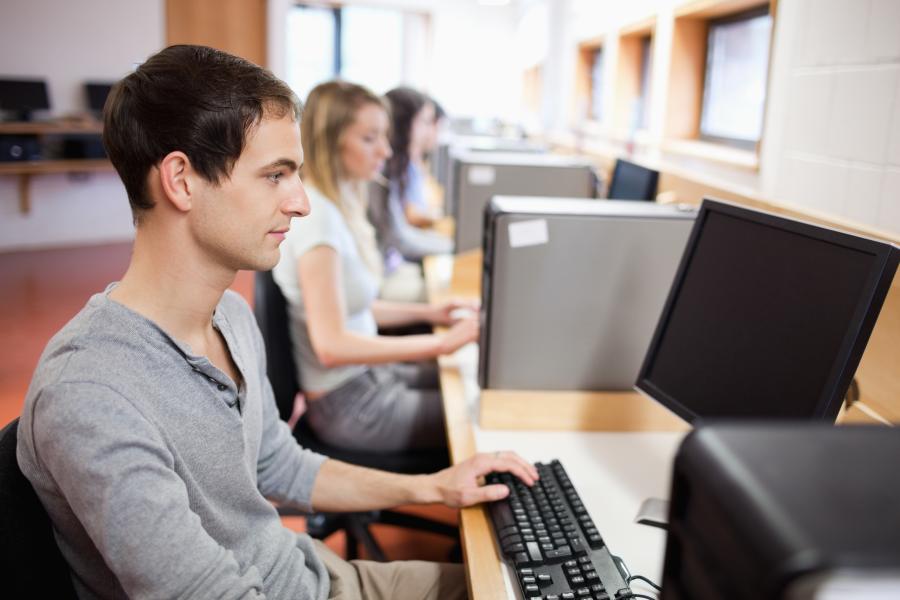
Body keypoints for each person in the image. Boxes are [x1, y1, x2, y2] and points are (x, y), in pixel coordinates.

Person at [16, 45, 537, 600]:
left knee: (522, 588)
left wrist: (435, 486)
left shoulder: (230, 316)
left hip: (314, 574)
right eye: (276, 176)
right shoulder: (92, 394)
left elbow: (279, 465)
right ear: (181, 181)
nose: (301, 203)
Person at [273, 81, 476, 454]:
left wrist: (432, 313)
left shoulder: (338, 205)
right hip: (349, 405)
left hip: (369, 380)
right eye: (370, 139)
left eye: (384, 136)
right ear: (332, 141)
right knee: (477, 414)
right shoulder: (318, 222)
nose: (385, 150)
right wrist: (442, 342)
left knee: (470, 378)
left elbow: (353, 307)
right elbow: (331, 345)